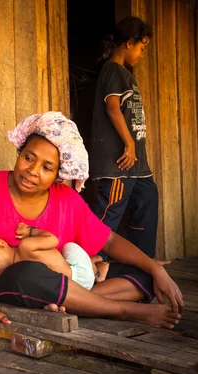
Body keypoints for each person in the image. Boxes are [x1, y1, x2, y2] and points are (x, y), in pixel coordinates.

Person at [0, 111, 184, 340]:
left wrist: (156, 269)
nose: (32, 171)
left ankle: (74, 301)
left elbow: (109, 240)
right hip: (14, 283)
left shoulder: (67, 199)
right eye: (28, 158)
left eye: (46, 167)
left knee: (144, 276)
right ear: (20, 153)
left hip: (60, 282)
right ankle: (122, 310)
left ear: (59, 174)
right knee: (29, 273)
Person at [90, 17, 157, 258]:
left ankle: (142, 260)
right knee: (109, 214)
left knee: (148, 199)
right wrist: (129, 144)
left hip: (137, 166)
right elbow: (113, 108)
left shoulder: (124, 74)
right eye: (141, 47)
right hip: (119, 165)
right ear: (129, 43)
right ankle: (89, 264)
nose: (141, 54)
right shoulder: (113, 70)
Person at [0, 222, 110, 291]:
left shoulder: (18, 276)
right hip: (80, 275)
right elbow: (53, 240)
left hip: (72, 291)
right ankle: (96, 271)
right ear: (0, 243)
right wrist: (30, 231)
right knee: (69, 246)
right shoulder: (25, 246)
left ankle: (92, 267)